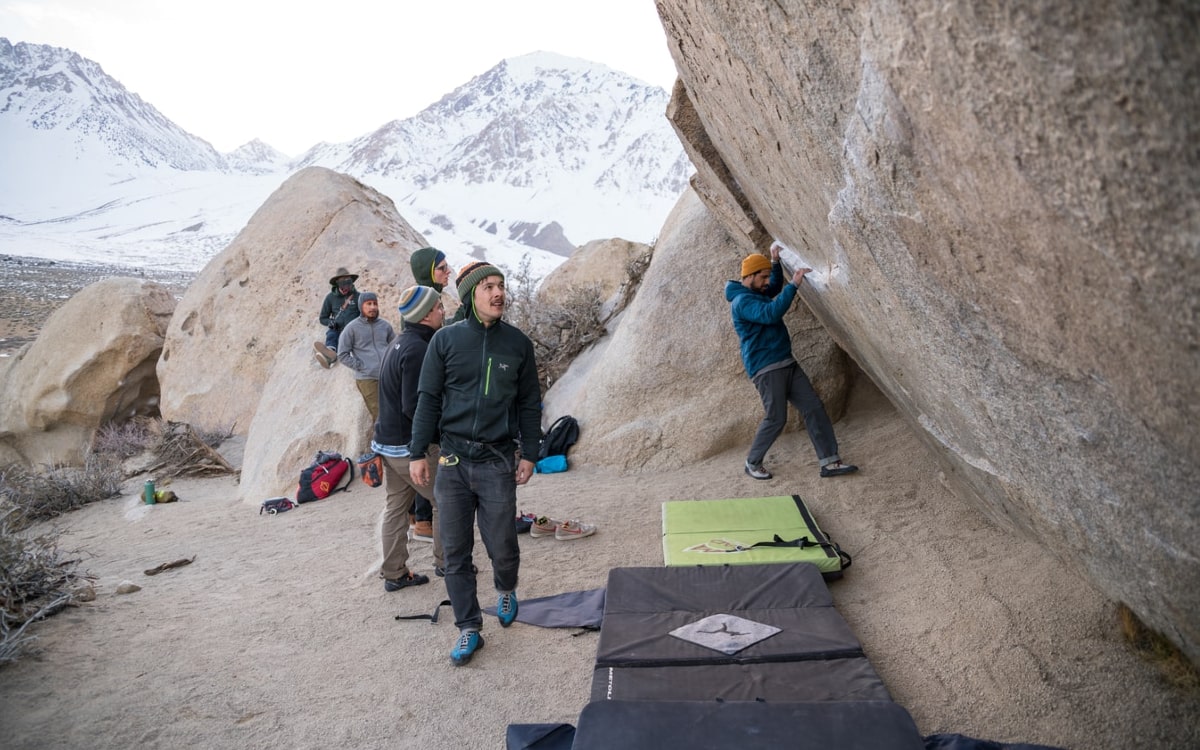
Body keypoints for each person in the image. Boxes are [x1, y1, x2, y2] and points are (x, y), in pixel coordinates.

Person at [408, 261, 542, 666]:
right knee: (455, 551)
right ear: (471, 295)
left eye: (501, 285)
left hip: (497, 459)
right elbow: (428, 398)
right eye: (488, 287)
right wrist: (417, 452)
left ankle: (506, 588)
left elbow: (529, 403)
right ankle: (468, 627)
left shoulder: (518, 344)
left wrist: (530, 452)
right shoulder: (445, 341)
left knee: (502, 543)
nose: (498, 293)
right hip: (452, 460)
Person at [725, 242, 858, 480]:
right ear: (750, 276)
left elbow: (774, 286)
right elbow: (770, 313)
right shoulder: (742, 301)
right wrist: (794, 284)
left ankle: (830, 462)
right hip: (766, 368)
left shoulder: (755, 292)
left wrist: (775, 262)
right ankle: (752, 462)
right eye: (763, 277)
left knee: (813, 407)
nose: (767, 282)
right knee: (776, 418)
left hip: (786, 362)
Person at [371, 286, 447, 592]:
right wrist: (437, 438)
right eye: (438, 307)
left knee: (396, 507)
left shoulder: (400, 342)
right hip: (407, 447)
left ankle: (394, 573)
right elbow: (414, 406)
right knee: (445, 500)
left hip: (387, 443)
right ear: (426, 314)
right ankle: (449, 562)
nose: (443, 311)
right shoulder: (418, 349)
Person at [405, 247, 455, 535]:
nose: (448, 272)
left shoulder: (429, 297)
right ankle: (424, 520)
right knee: (427, 455)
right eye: (442, 268)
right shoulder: (423, 302)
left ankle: (417, 516)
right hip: (425, 394)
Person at [336, 291, 394, 427]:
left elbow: (395, 347)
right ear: (361, 306)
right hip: (367, 379)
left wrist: (392, 365)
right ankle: (380, 440)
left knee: (395, 411)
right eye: (368, 304)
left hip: (388, 376)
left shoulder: (385, 326)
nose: (372, 307)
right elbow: (342, 354)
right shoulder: (351, 328)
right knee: (380, 416)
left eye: (375, 304)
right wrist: (361, 366)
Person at [315, 267, 361, 368]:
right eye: (342, 282)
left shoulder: (358, 297)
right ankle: (330, 353)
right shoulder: (330, 298)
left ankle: (330, 356)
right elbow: (323, 318)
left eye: (348, 282)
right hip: (339, 330)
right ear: (337, 283)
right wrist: (330, 322)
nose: (345, 287)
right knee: (331, 333)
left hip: (354, 330)